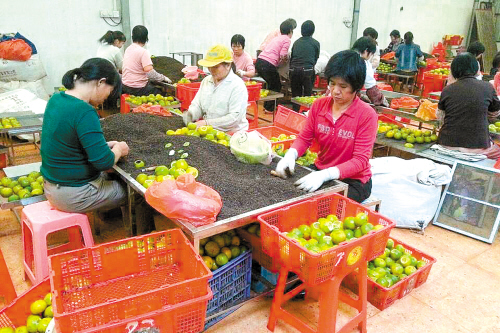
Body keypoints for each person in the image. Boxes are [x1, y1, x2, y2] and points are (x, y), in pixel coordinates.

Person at [275, 50, 378, 203]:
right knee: (284, 191)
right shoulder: (319, 105)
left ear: (356, 86)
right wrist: (291, 155)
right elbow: (305, 138)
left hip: (354, 181)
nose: (335, 91)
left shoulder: (366, 115)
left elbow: (360, 160)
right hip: (321, 169)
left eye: (343, 86)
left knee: (321, 203)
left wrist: (327, 175)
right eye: (332, 83)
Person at [41, 58, 130, 213]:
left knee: (112, 176)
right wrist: (119, 149)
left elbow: (68, 142)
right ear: (101, 82)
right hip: (73, 194)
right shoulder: (85, 111)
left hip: (52, 187)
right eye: (110, 91)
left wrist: (104, 146)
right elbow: (104, 162)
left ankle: (109, 216)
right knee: (136, 192)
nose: (106, 97)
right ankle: (144, 233)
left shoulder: (56, 99)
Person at [437, 52, 500, 159]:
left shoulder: (447, 90)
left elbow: (440, 117)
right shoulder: (487, 87)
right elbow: (494, 114)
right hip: (476, 147)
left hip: (446, 144)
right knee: (497, 151)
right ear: (476, 69)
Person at [182, 45, 249, 133]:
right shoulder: (206, 81)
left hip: (232, 133)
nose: (211, 70)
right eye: (209, 67)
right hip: (209, 132)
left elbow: (234, 118)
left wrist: (207, 123)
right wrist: (191, 114)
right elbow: (198, 104)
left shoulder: (237, 86)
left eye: (215, 67)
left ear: (228, 65)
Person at [255, 21, 294, 113]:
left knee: (271, 84)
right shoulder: (287, 40)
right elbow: (283, 54)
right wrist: (285, 59)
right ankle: (269, 108)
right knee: (276, 85)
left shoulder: (276, 38)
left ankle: (267, 106)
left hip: (260, 61)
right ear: (290, 31)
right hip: (268, 64)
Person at [122, 25, 171, 96]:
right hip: (137, 88)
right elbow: (150, 72)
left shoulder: (128, 49)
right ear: (146, 38)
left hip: (125, 85)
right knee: (161, 94)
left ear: (133, 37)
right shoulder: (143, 52)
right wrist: (163, 78)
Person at [289, 20, 320, 111]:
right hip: (307, 71)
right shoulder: (315, 43)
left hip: (293, 70)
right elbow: (315, 59)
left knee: (295, 95)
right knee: (307, 95)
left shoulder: (296, 42)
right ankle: (306, 113)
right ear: (313, 31)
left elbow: (292, 57)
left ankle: (295, 112)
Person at [352, 36, 388, 106]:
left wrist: (360, 96)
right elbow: (371, 87)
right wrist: (381, 101)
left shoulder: (342, 56)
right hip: (346, 101)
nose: (370, 57)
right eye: (371, 54)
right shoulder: (363, 63)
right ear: (366, 51)